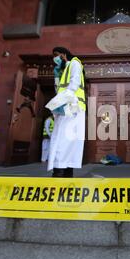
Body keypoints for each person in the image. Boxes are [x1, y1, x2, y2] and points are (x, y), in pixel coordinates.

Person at [47, 47, 86, 178]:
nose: (55, 58)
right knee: (68, 141)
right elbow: (59, 89)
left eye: (56, 55)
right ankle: (66, 175)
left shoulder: (74, 63)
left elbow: (74, 84)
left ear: (64, 55)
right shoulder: (63, 70)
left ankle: (59, 174)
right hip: (69, 107)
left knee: (62, 140)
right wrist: (57, 77)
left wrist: (58, 103)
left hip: (71, 106)